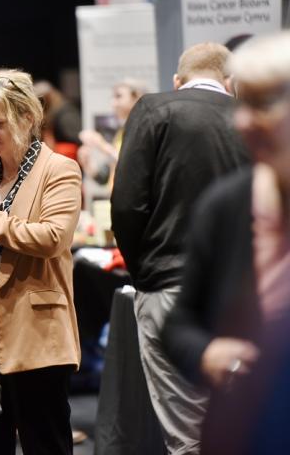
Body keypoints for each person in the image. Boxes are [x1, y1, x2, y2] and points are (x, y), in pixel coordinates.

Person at [110, 42, 250, 454]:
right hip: (245, 298)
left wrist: (143, 273)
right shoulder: (254, 119)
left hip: (168, 289)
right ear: (231, 83)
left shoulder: (155, 109)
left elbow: (126, 204)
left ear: (177, 80)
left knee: (187, 437)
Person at [162, 31, 290, 455]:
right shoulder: (225, 205)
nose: (243, 121)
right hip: (244, 431)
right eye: (244, 102)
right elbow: (179, 325)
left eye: (264, 104)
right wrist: (208, 352)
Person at [0, 68, 82, 455]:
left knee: (45, 440)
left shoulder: (59, 170)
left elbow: (52, 238)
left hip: (35, 327)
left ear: (26, 119)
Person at [78, 78, 146, 186]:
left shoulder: (145, 128)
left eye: (118, 96)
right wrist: (88, 165)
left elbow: (135, 167)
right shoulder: (122, 131)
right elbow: (107, 176)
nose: (113, 103)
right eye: (113, 97)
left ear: (136, 96)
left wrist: (102, 145)